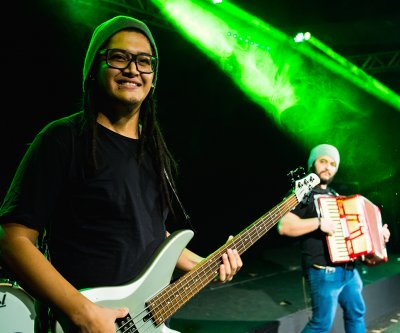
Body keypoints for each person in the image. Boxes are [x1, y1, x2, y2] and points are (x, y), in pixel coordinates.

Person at [0, 15, 243, 332]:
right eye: (119, 57)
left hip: (148, 322)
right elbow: (12, 239)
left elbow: (152, 234)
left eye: (145, 62)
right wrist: (83, 313)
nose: (133, 70)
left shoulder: (155, 152)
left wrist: (204, 265)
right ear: (93, 68)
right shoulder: (63, 139)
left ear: (153, 77)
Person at [277, 144, 390, 333]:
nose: (328, 167)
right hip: (324, 272)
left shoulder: (335, 196)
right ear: (312, 163)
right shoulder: (301, 193)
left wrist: (378, 237)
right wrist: (319, 223)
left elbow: (353, 235)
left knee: (356, 313)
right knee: (321, 324)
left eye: (332, 163)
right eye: (323, 161)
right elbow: (284, 226)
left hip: (349, 271)